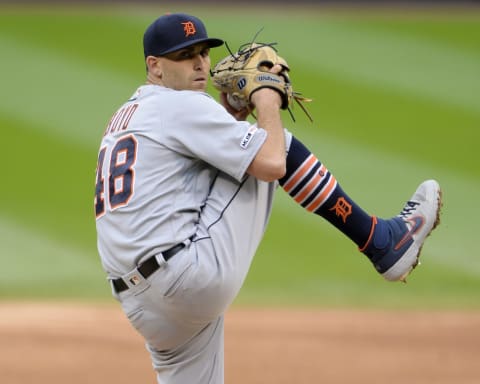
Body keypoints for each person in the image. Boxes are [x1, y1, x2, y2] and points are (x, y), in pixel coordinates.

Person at [94, 13, 441, 384]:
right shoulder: (181, 105)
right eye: (184, 55)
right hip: (189, 277)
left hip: (143, 307)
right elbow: (273, 163)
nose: (199, 63)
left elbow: (190, 167)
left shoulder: (126, 115)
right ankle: (382, 242)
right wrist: (266, 98)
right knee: (273, 144)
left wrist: (230, 116)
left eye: (203, 52)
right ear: (155, 66)